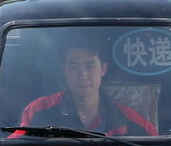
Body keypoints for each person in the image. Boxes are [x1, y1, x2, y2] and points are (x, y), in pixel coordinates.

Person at [14, 42, 158, 137]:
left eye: (90, 66)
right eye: (73, 66)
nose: (83, 75)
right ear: (63, 70)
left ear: (103, 69)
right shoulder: (38, 111)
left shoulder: (130, 121)